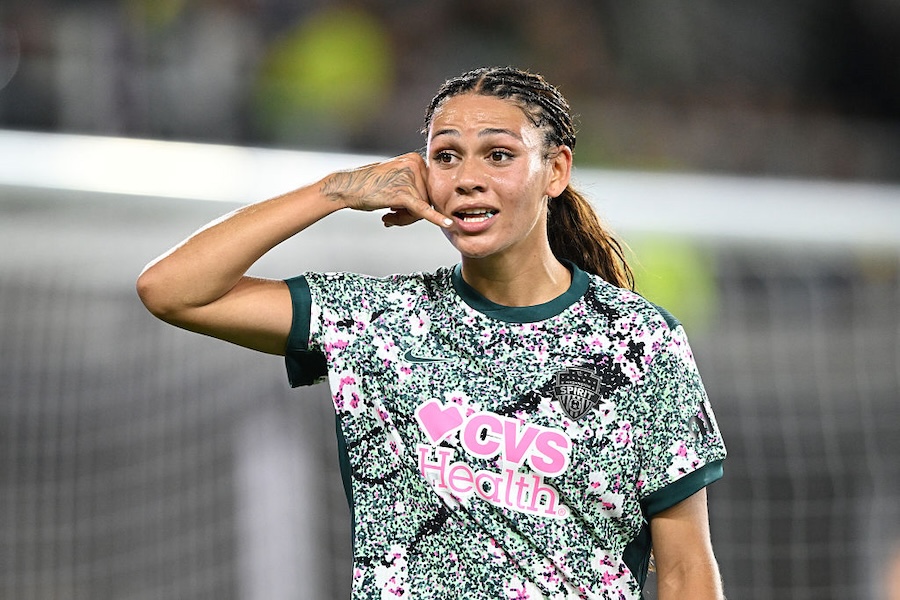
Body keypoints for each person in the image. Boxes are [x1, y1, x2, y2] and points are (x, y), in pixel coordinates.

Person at [137, 66, 727, 599]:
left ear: (557, 170)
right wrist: (335, 192)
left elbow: (684, 571)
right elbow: (171, 288)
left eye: (498, 155)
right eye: (446, 156)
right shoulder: (374, 321)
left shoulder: (639, 342)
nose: (468, 178)